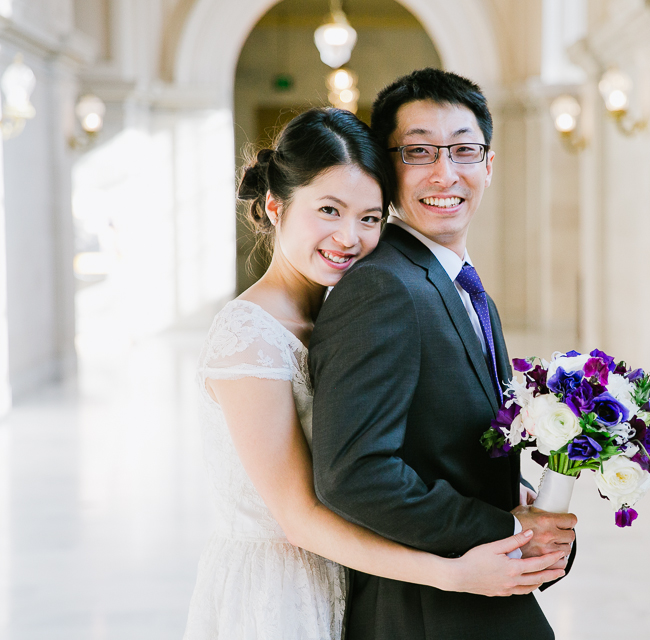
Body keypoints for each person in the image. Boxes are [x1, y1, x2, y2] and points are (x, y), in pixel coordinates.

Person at [182, 107, 565, 640]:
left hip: (353, 573)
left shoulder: (334, 311)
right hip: (278, 590)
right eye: (329, 210)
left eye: (368, 218)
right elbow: (299, 520)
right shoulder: (248, 334)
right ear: (275, 207)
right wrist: (453, 574)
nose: (348, 237)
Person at [310, 69, 577, 640]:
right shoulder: (383, 286)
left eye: (463, 150)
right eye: (419, 152)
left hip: (476, 598)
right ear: (386, 168)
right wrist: (504, 526)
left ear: (489, 164)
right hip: (422, 610)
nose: (445, 173)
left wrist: (528, 507)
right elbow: (353, 474)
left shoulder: (455, 281)